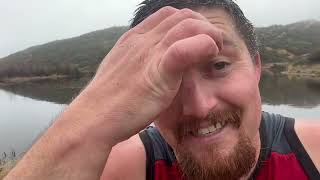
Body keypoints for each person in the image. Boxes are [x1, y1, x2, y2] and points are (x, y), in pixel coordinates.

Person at [4, 0, 320, 180]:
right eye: (169, 79)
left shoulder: (312, 152)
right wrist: (90, 119)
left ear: (256, 68)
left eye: (219, 65)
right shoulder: (128, 167)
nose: (199, 106)